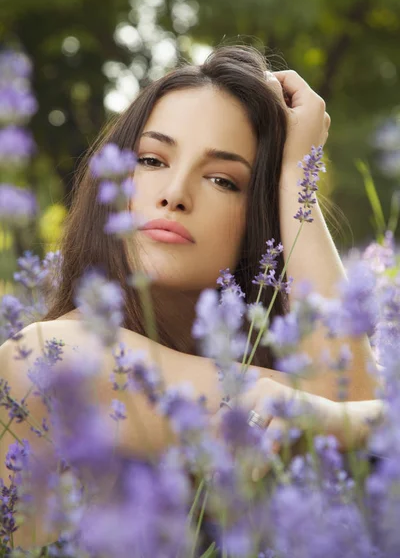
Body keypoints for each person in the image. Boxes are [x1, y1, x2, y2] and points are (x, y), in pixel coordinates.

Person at [0, 45, 384, 549]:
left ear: (263, 215)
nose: (174, 192)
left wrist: (297, 180)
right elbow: (353, 407)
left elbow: (352, 410)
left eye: (223, 179)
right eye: (152, 160)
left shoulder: (251, 364)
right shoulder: (51, 357)